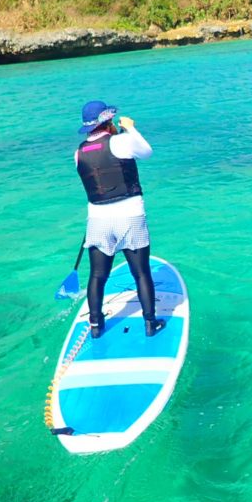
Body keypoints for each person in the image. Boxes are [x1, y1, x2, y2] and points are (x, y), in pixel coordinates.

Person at [74, 100, 165, 339]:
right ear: (108, 122)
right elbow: (147, 152)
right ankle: (150, 323)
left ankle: (96, 326)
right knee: (141, 273)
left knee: (97, 275)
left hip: (98, 221)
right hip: (130, 217)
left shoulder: (78, 153)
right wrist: (130, 128)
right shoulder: (122, 142)